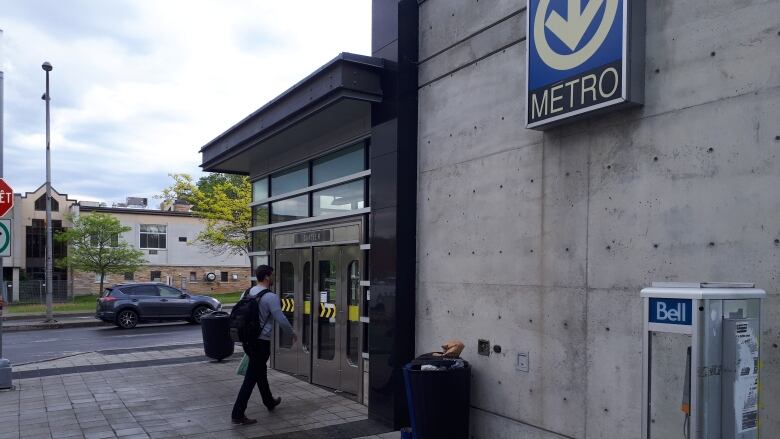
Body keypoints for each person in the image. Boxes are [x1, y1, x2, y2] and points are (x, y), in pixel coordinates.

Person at [231, 265, 297, 425]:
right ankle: (237, 414)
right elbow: (280, 318)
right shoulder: (270, 297)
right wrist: (292, 333)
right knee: (251, 377)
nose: (273, 278)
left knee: (260, 372)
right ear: (267, 277)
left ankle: (269, 401)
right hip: (261, 342)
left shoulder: (247, 292)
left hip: (248, 340)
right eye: (272, 275)